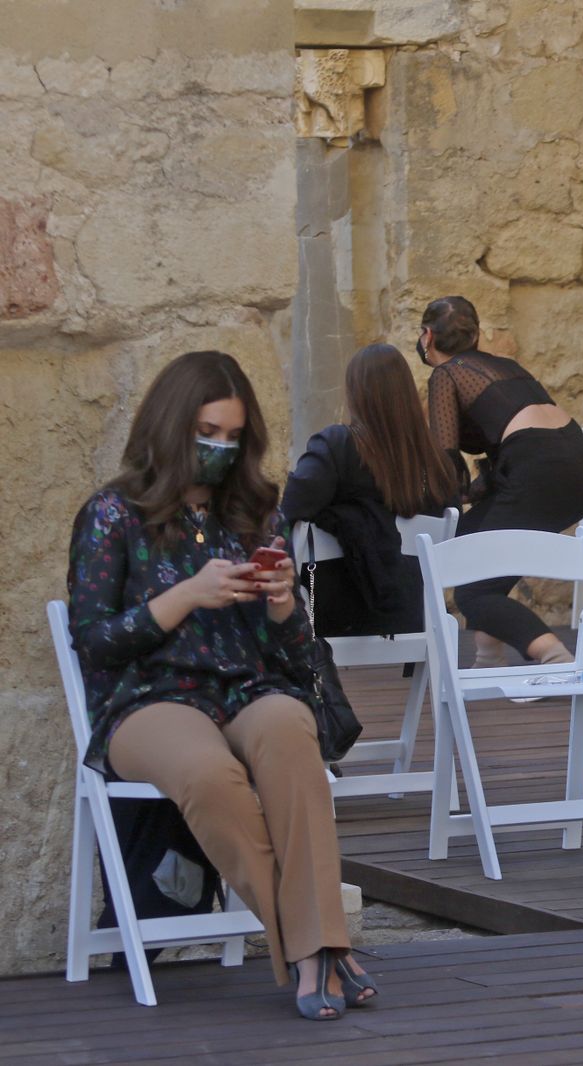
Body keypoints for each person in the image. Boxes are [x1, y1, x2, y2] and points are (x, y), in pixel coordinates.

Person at [67, 350, 375, 1020]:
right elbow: (93, 640)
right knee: (207, 772)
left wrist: (283, 605)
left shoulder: (258, 515)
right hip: (147, 700)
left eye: (235, 437)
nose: (221, 449)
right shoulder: (113, 514)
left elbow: (294, 663)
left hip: (245, 689)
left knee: (292, 728)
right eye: (209, 431)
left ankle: (315, 948)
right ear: (172, 425)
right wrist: (187, 595)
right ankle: (315, 946)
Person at [419, 296, 583, 667]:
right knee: (477, 541)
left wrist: (437, 509)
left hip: (540, 471)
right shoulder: (505, 366)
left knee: (471, 587)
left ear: (426, 336)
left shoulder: (447, 373)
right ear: (475, 336)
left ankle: (555, 658)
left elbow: (445, 457)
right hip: (582, 467)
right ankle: (488, 657)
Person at [281, 343, 459, 637]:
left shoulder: (337, 446)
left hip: (335, 616)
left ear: (355, 393)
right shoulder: (439, 462)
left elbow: (290, 510)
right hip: (415, 614)